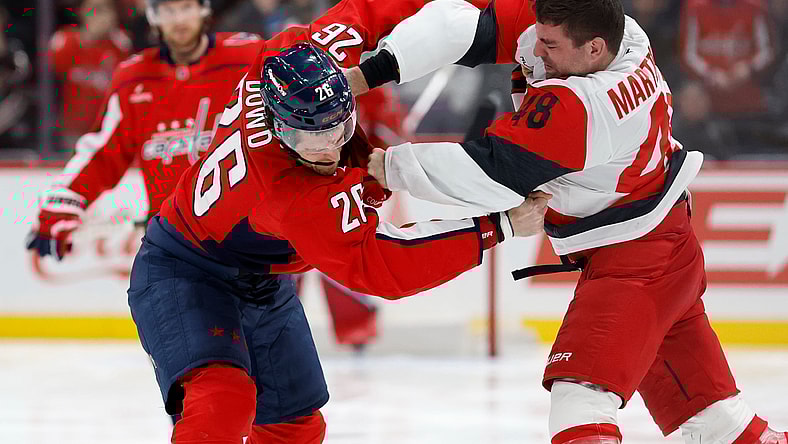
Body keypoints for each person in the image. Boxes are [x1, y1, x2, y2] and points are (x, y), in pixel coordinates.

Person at [351, 0, 788, 443]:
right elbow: (473, 28)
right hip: (660, 242)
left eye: (550, 44)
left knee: (580, 402)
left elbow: (493, 172)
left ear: (594, 49)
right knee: (715, 424)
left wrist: (387, 166)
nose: (537, 52)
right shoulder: (624, 36)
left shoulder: (587, 107)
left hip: (638, 260)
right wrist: (370, 73)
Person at [127, 33, 549, 443]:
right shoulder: (292, 194)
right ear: (278, 128)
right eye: (309, 136)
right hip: (185, 271)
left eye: (339, 128)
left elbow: (358, 17)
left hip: (262, 275)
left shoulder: (277, 72)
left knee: (296, 427)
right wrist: (498, 226)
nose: (329, 148)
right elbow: (385, 265)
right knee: (220, 402)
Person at [49, 0, 132, 150]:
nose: (99, 16)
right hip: (72, 132)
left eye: (106, 10)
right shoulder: (66, 39)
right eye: (95, 9)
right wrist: (90, 36)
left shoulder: (120, 45)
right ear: (81, 11)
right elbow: (52, 70)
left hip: (109, 130)